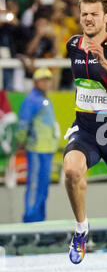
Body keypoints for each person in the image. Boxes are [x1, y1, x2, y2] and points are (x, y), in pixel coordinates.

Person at [63, 0, 107, 264]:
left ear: (106, 18)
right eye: (84, 14)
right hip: (86, 128)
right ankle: (81, 230)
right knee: (71, 169)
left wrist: (105, 62)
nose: (88, 19)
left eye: (94, 14)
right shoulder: (72, 45)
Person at [16, 68, 60, 222]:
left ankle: (40, 221)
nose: (46, 83)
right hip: (36, 150)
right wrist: (21, 142)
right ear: (35, 82)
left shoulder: (44, 99)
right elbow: (23, 123)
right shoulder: (31, 100)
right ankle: (30, 220)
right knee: (35, 186)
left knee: (43, 188)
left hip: (47, 150)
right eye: (43, 80)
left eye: (48, 79)